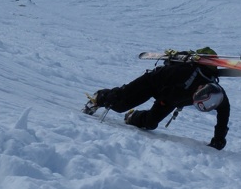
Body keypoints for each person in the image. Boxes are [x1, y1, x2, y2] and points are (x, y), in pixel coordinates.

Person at [89, 61, 231, 150]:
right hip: (153, 84)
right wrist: (124, 92)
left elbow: (224, 113)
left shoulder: (218, 96)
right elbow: (150, 78)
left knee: (150, 123)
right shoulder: (182, 73)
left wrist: (219, 139)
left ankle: (132, 117)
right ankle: (100, 97)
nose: (195, 101)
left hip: (169, 99)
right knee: (119, 104)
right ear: (201, 88)